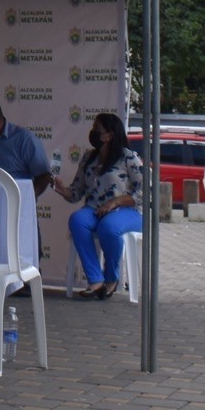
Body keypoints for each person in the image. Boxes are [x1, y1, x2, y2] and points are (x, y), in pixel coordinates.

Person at [55, 111, 144, 299]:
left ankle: (111, 278)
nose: (93, 132)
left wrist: (116, 201)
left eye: (97, 129)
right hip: (95, 209)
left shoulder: (128, 157)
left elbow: (145, 192)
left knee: (108, 228)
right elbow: (77, 192)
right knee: (77, 220)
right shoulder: (89, 158)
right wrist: (63, 190)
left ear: (110, 135)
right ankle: (95, 280)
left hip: (128, 211)